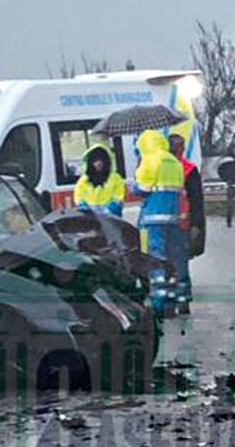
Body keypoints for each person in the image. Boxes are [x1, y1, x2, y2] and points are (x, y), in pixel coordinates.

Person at [134, 129, 185, 316]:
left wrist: (135, 180)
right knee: (171, 262)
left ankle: (158, 304)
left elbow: (142, 188)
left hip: (154, 219)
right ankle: (172, 303)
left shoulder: (150, 160)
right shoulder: (174, 161)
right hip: (173, 218)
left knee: (156, 262)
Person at [168, 134, 206, 313]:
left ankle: (181, 302)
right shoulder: (170, 168)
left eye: (179, 146)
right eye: (176, 146)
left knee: (179, 265)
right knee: (172, 265)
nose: (178, 149)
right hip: (171, 224)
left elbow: (196, 199)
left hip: (181, 224)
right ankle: (174, 301)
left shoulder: (189, 170)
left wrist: (196, 224)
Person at [73, 144, 126, 216]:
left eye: (101, 159)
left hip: (112, 219)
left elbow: (118, 198)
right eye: (95, 160)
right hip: (91, 220)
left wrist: (107, 211)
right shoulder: (83, 180)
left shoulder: (116, 178)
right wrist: (85, 209)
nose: (98, 163)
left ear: (106, 161)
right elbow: (79, 197)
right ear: (90, 162)